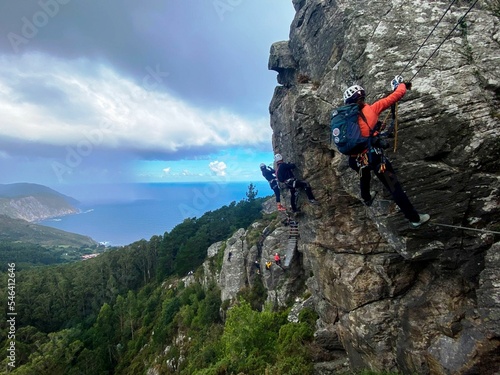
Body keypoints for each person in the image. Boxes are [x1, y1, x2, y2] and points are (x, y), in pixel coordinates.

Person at [342, 76, 430, 228]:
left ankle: (366, 197)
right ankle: (414, 218)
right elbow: (396, 96)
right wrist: (399, 84)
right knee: (394, 188)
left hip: (355, 159)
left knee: (364, 173)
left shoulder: (345, 120)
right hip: (375, 157)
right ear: (361, 98)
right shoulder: (372, 109)